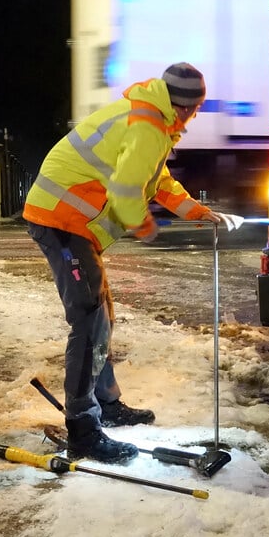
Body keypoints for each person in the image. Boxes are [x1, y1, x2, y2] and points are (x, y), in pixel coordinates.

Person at [23, 63, 225, 463]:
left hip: (73, 224)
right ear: (183, 106)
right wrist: (144, 226)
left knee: (101, 316)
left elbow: (157, 181)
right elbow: (126, 190)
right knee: (89, 320)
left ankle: (108, 405)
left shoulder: (153, 118)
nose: (196, 115)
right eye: (195, 107)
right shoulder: (148, 126)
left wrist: (195, 211)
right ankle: (84, 431)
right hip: (61, 220)